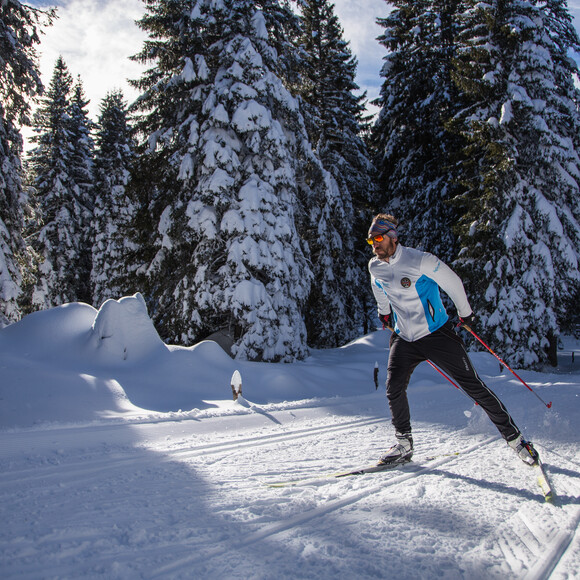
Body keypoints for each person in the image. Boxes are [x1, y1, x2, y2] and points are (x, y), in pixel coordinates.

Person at [367, 213, 539, 466]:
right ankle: (404, 444)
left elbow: (453, 282)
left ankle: (516, 440)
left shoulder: (420, 260)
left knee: (474, 387)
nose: (375, 244)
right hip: (404, 336)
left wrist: (465, 313)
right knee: (393, 388)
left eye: (379, 238)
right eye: (371, 240)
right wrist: (384, 312)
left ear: (393, 237)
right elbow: (378, 286)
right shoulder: (375, 266)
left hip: (437, 334)